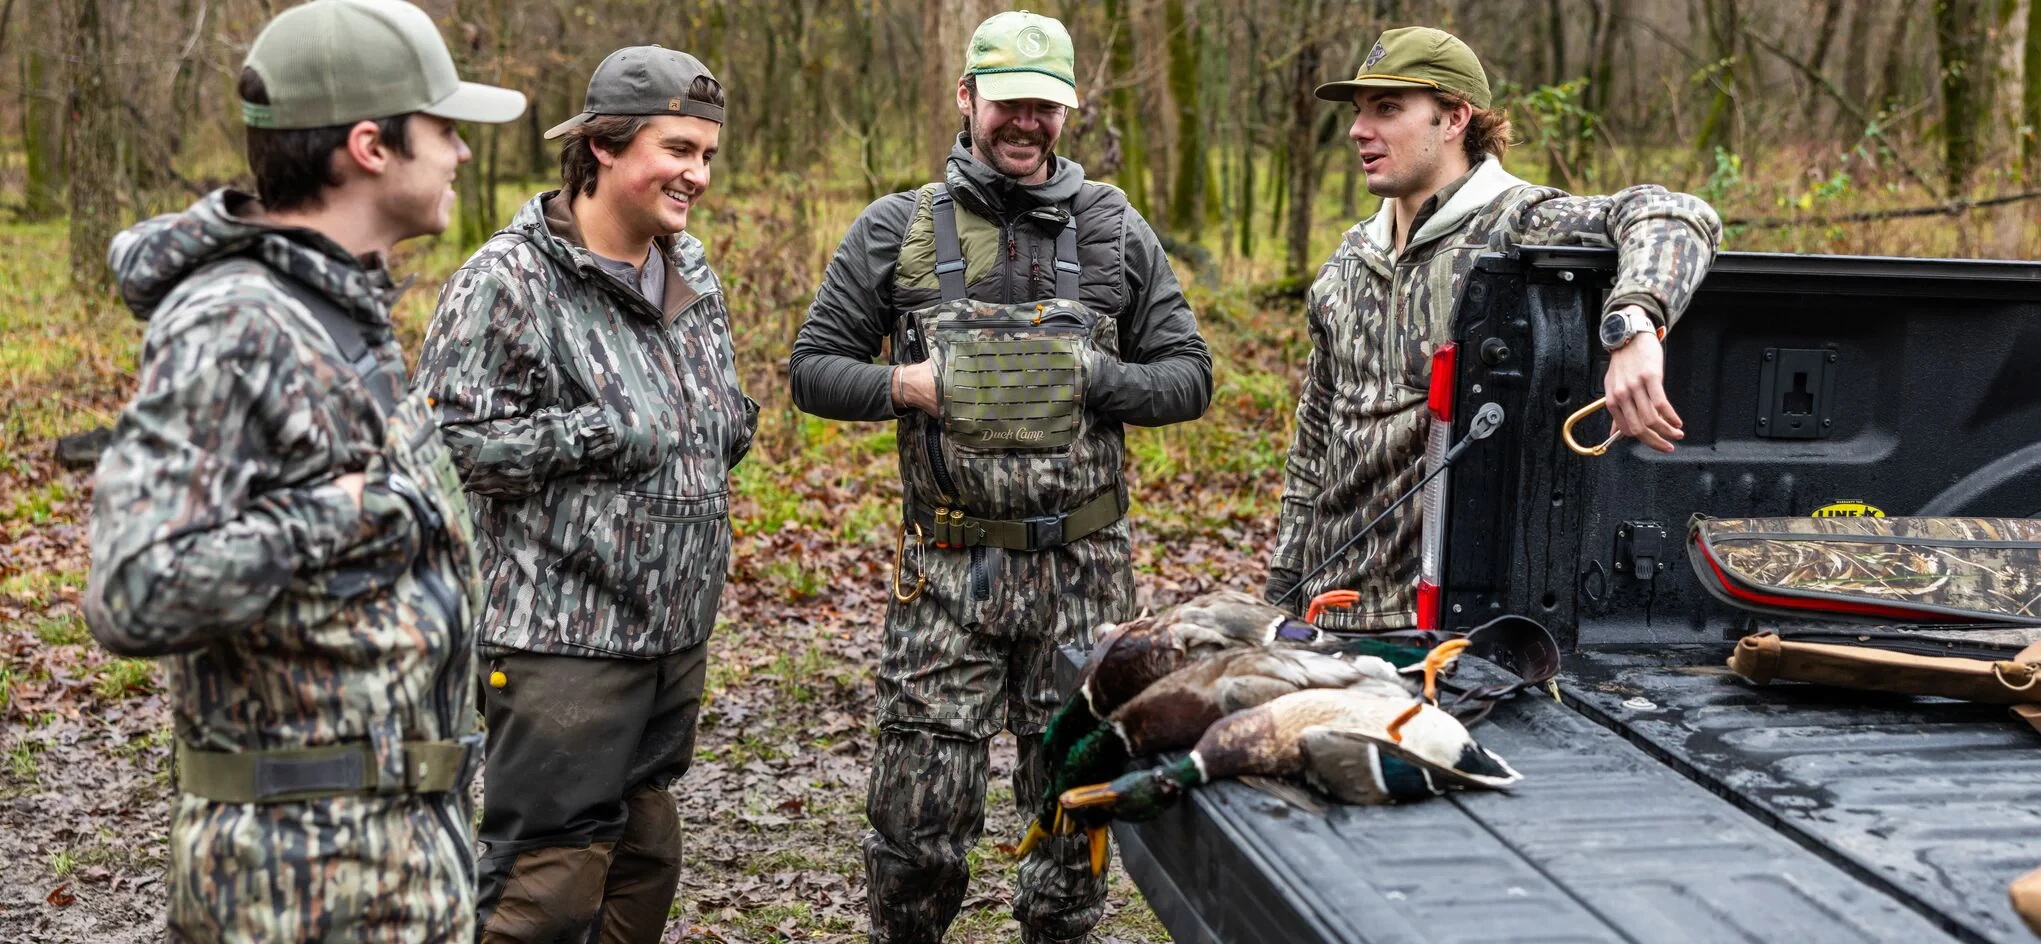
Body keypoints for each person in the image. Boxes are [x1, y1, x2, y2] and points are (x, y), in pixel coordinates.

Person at [82, 0, 525, 940]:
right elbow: (134, 588)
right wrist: (337, 514)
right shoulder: (234, 320)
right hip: (298, 887)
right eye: (443, 129)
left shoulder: (337, 307)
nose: (462, 153)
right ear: (370, 145)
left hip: (386, 866)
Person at [788, 11, 1211, 943]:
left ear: (1069, 111)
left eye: (1046, 108)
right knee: (916, 832)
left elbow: (1191, 377)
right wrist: (911, 385)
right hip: (946, 573)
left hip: (1083, 570)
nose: (1026, 124)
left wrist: (1098, 379)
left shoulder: (1113, 226)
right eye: (1009, 104)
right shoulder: (896, 227)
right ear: (965, 97)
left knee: (1070, 814)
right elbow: (811, 369)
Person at [412, 45, 755, 944]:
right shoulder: (509, 281)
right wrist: (591, 433)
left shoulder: (691, 272)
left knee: (643, 857)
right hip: (560, 635)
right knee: (548, 880)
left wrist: (723, 424)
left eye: (708, 155)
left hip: (673, 629)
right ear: (604, 146)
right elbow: (440, 449)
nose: (698, 175)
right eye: (678, 149)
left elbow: (703, 410)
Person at [1265, 26, 1723, 624]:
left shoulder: (1520, 225)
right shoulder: (1344, 269)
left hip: (1449, 628)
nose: (1358, 129)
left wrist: (1635, 326)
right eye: (1358, 112)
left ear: (1454, 118)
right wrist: (1281, 590)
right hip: (1329, 611)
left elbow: (1677, 214)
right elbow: (1314, 447)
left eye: (1388, 108)